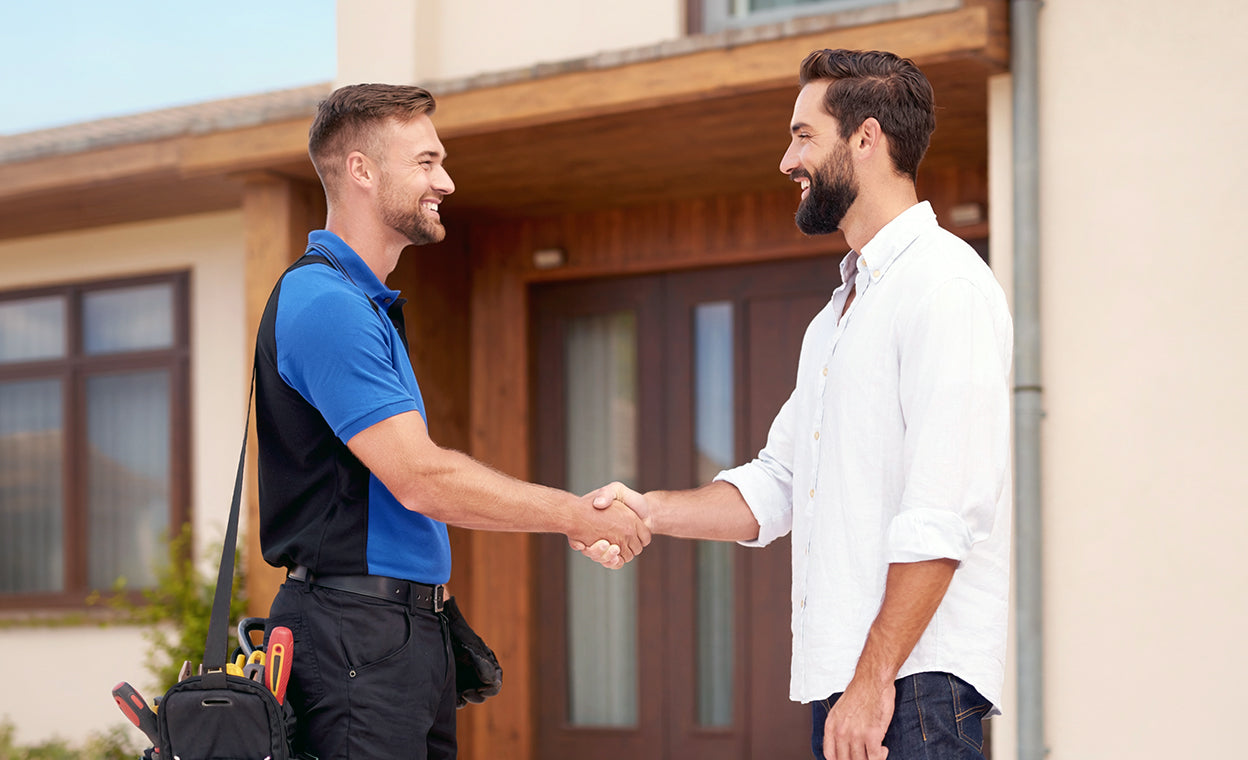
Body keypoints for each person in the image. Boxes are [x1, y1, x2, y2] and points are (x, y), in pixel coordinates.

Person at [579, 49, 1013, 760]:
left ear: (866, 139)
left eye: (804, 135)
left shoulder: (944, 286)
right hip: (850, 685)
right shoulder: (837, 318)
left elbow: (945, 510)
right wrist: (646, 510)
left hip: (911, 689)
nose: (787, 159)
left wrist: (874, 683)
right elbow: (778, 483)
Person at [254, 83, 650, 760]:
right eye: (427, 161)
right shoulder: (327, 305)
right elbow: (419, 477)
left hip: (394, 635)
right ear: (362, 171)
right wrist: (574, 514)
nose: (447, 180)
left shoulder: (363, 304)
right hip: (356, 639)